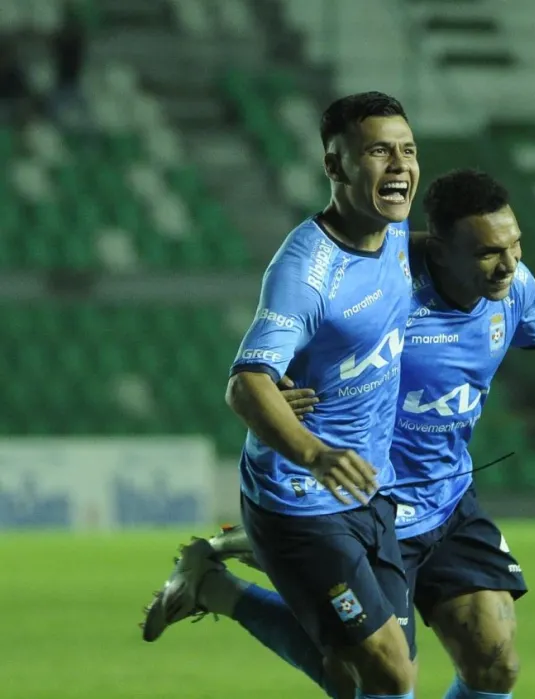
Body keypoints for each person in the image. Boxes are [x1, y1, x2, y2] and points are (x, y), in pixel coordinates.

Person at [143, 170, 535, 699]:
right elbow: (271, 362)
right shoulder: (380, 293)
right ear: (438, 247)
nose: (508, 265)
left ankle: (249, 563)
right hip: (368, 506)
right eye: (488, 252)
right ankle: (219, 589)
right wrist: (282, 387)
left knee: (496, 663)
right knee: (366, 680)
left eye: (514, 247)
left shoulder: (512, 289)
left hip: (445, 498)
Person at [141, 91, 421, 699]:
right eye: (379, 151)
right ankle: (247, 559)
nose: (399, 165)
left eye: (408, 150)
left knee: (354, 681)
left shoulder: (394, 236)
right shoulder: (306, 269)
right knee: (393, 674)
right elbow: (246, 385)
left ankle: (213, 587)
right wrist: (315, 454)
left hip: (369, 485)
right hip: (301, 496)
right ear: (335, 166)